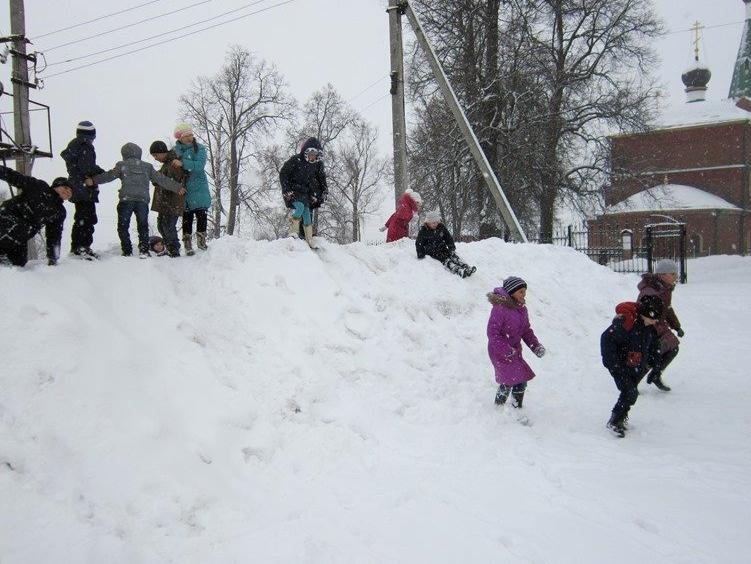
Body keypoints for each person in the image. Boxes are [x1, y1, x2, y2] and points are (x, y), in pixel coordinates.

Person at [91, 142, 184, 258]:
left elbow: (109, 176)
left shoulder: (122, 165)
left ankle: (127, 250)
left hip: (126, 200)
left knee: (123, 226)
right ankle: (144, 250)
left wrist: (94, 180)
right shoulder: (147, 166)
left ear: (124, 154)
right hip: (142, 201)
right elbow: (162, 180)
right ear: (139, 153)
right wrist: (177, 187)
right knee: (143, 226)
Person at [600, 295, 663, 437]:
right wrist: (614, 364)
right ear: (646, 314)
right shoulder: (627, 322)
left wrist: (655, 361)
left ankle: (621, 417)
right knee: (630, 392)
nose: (655, 321)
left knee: (630, 393)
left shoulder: (648, 327)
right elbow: (606, 339)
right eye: (653, 318)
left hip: (635, 365)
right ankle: (614, 421)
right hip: (620, 365)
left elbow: (654, 345)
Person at [486, 276, 546, 409]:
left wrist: (535, 346)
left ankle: (516, 408)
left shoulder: (521, 309)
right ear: (511, 292)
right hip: (499, 351)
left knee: (520, 380)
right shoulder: (500, 309)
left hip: (514, 351)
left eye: (525, 292)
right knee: (509, 380)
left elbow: (526, 331)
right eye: (521, 292)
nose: (524, 295)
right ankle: (499, 408)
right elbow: (492, 333)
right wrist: (506, 350)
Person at [0, 166, 71, 266]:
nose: (68, 192)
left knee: (18, 266)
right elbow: (15, 177)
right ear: (56, 186)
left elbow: (54, 235)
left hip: (21, 236)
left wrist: (53, 258)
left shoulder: (59, 212)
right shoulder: (39, 187)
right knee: (20, 229)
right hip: (6, 220)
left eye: (71, 192)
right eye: (66, 187)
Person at [637, 259, 684, 391]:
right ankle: (633, 382)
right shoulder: (651, 291)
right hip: (649, 328)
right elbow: (645, 312)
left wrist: (677, 326)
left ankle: (655, 375)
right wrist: (651, 330)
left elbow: (667, 309)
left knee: (671, 349)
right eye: (673, 274)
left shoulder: (664, 288)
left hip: (659, 326)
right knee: (654, 354)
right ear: (663, 275)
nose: (676, 276)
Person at [61, 120, 105, 259]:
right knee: (87, 218)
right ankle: (82, 248)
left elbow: (79, 166)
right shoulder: (86, 146)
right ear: (90, 135)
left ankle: (77, 247)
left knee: (81, 217)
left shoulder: (74, 146)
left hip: (76, 185)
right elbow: (87, 167)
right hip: (84, 187)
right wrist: (101, 172)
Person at [279, 136, 328, 249]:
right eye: (310, 153)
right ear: (306, 151)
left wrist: (322, 193)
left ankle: (309, 238)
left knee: (307, 214)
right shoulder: (296, 160)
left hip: (306, 193)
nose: (312, 157)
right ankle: (294, 231)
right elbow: (283, 173)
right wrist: (286, 190)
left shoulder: (317, 165)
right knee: (300, 207)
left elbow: (321, 179)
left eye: (315, 155)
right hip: (293, 192)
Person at [172, 123, 211, 255]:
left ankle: (201, 241)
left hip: (199, 187)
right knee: (187, 216)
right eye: (186, 136)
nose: (190, 138)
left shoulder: (200, 148)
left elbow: (199, 165)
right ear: (180, 138)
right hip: (184, 187)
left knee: (201, 213)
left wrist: (183, 163)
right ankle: (187, 244)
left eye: (191, 135)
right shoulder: (175, 151)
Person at [149, 140, 187, 257]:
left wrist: (159, 181)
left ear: (162, 152)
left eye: (156, 155)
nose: (155, 158)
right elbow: (159, 178)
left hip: (172, 201)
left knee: (168, 226)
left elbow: (174, 182)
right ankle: (169, 248)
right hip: (165, 202)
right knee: (161, 225)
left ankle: (174, 250)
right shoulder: (166, 164)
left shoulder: (173, 163)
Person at [415, 210, 476, 278]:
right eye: (433, 223)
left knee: (452, 255)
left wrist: (451, 247)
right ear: (428, 222)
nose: (435, 224)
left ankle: (466, 266)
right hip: (432, 250)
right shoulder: (423, 231)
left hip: (442, 247)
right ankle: (458, 270)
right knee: (445, 259)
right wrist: (420, 253)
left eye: (436, 222)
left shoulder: (441, 227)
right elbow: (419, 243)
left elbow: (448, 237)